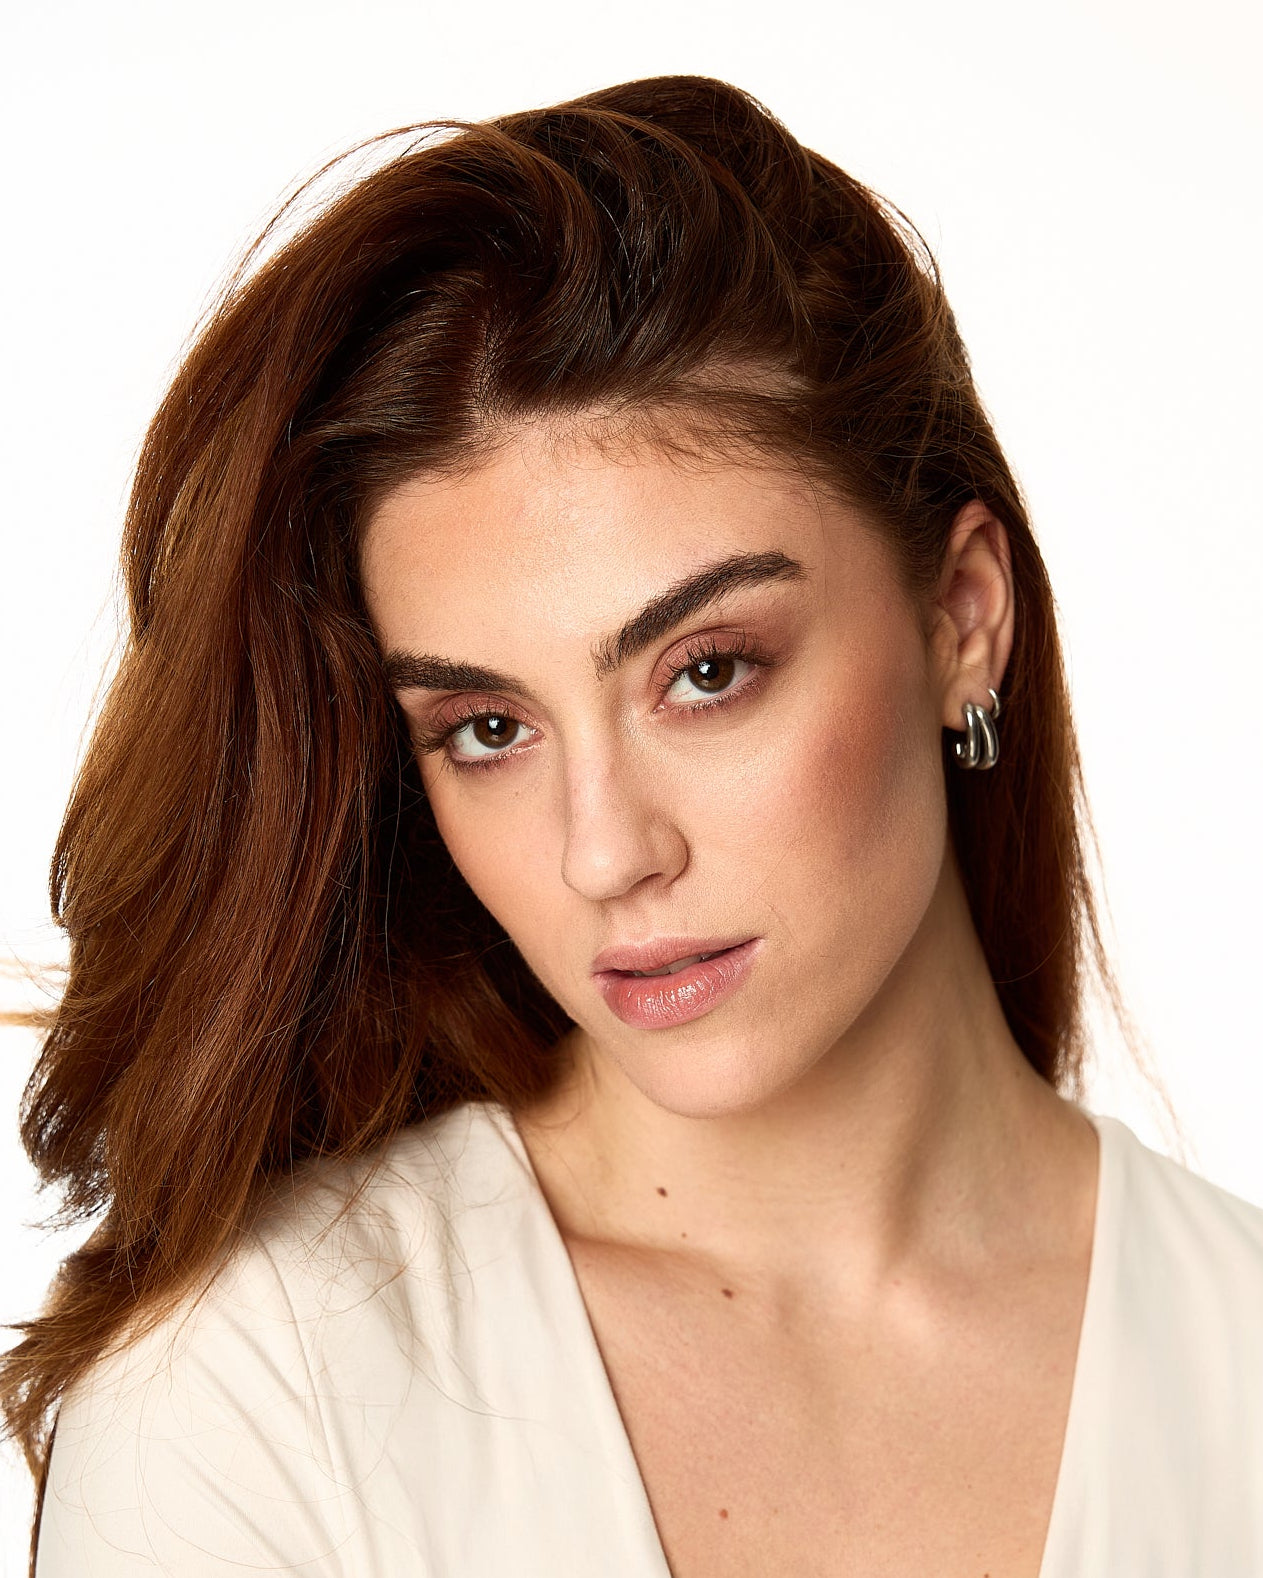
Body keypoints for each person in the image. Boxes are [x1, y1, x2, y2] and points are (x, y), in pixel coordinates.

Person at [3, 72, 1261, 1578]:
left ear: (961, 617)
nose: (606, 852)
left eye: (706, 673)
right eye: (489, 729)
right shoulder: (266, 1394)